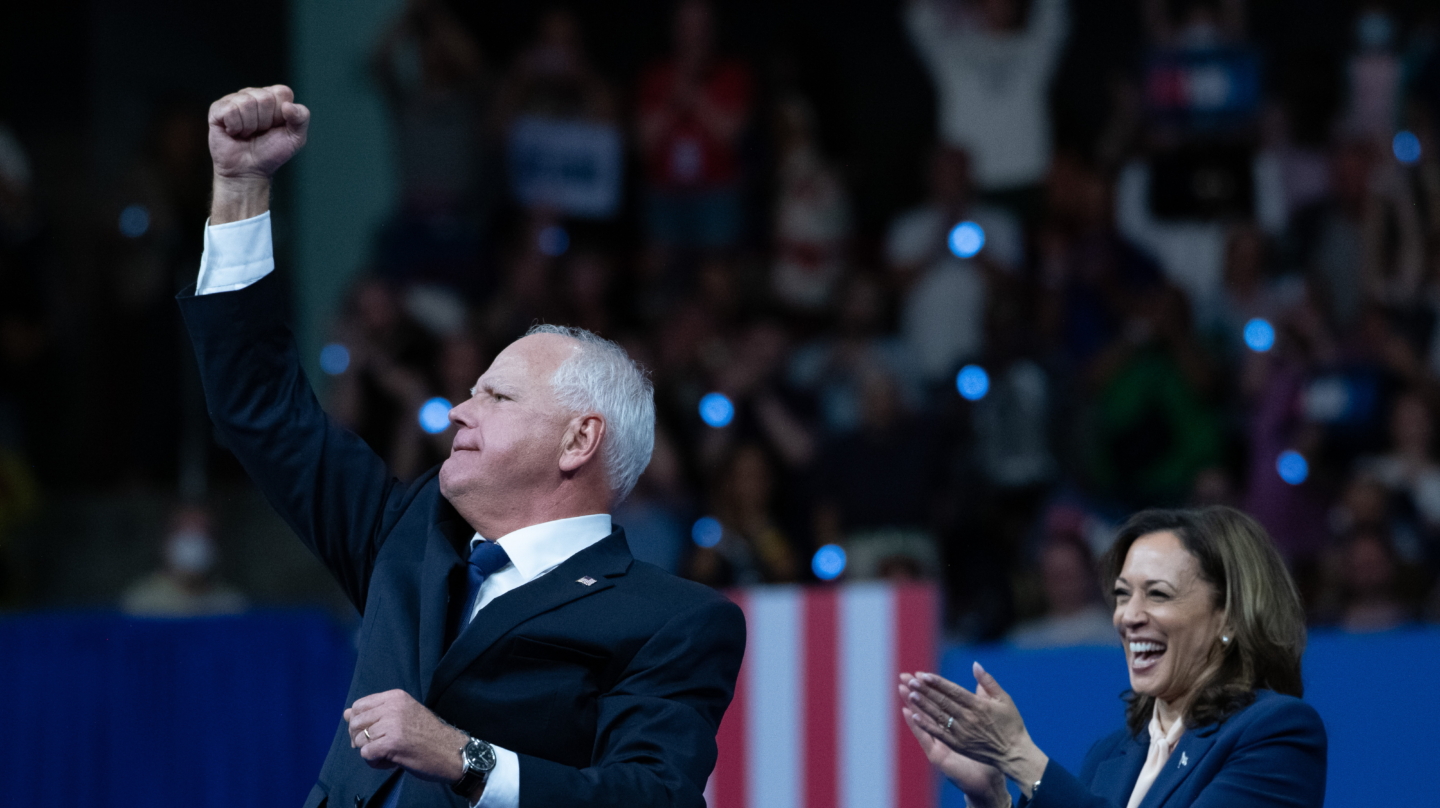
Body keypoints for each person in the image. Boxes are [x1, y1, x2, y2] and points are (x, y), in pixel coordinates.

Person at [179, 85, 745, 808]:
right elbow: (259, 408)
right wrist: (239, 187)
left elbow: (653, 797)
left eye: (497, 396)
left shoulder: (672, 619)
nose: (457, 413)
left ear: (579, 439)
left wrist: (462, 756)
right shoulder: (404, 537)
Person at [899, 506, 1326, 808]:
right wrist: (990, 797)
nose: (1128, 617)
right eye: (1122, 595)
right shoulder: (1111, 755)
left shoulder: (1275, 733)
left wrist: (1018, 754)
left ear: (1227, 618)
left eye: (1157, 594)